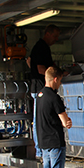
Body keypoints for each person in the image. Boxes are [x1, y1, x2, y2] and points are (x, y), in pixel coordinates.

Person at [36, 65, 80, 168]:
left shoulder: (40, 96)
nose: (60, 84)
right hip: (55, 142)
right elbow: (65, 121)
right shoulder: (54, 98)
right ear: (55, 79)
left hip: (44, 143)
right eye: (60, 80)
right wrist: (68, 122)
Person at [30, 24, 60, 160]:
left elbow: (29, 61)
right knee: (39, 121)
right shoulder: (40, 47)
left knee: (44, 120)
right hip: (39, 89)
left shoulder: (43, 48)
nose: (56, 40)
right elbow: (41, 69)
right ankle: (39, 151)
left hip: (40, 89)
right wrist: (55, 73)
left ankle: (42, 149)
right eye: (54, 36)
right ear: (47, 33)